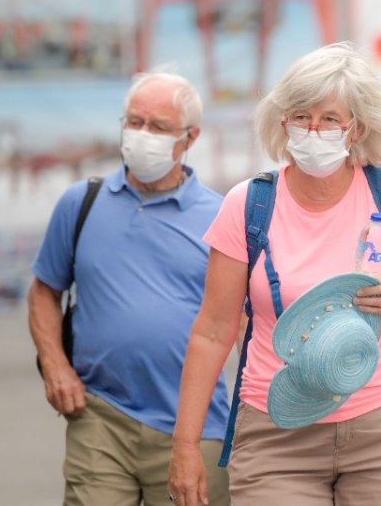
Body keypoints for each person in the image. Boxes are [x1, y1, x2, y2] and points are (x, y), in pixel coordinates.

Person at [167, 43, 381, 506]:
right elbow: (213, 331)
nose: (313, 129)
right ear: (283, 122)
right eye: (301, 116)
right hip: (275, 431)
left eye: (329, 118)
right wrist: (184, 447)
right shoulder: (248, 204)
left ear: (355, 127)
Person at [28, 70, 230, 506]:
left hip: (195, 426)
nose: (143, 135)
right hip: (100, 415)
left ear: (189, 138)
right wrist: (55, 364)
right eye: (134, 122)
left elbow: (248, 317)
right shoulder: (81, 203)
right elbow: (45, 291)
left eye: (158, 127)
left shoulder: (221, 217)